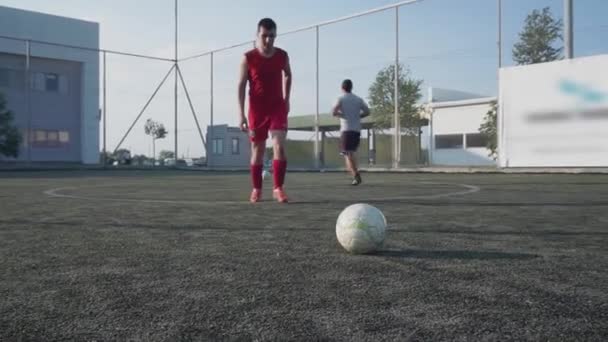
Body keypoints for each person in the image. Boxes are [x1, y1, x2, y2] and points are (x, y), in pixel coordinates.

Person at [238, 18, 292, 203]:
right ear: (257, 35)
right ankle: (257, 189)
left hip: (277, 107)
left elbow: (288, 74)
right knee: (258, 149)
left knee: (279, 145)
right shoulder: (248, 58)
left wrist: (287, 99)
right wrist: (241, 114)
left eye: (272, 36)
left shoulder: (282, 56)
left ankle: (278, 188)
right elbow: (240, 85)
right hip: (257, 109)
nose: (268, 40)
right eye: (264, 36)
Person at [332, 79, 370, 185]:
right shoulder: (358, 99)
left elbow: (334, 112)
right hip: (356, 130)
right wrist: (357, 116)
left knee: (348, 154)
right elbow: (367, 112)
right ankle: (354, 175)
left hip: (346, 130)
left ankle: (356, 175)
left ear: (342, 88)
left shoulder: (341, 98)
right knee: (349, 153)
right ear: (351, 87)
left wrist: (343, 115)